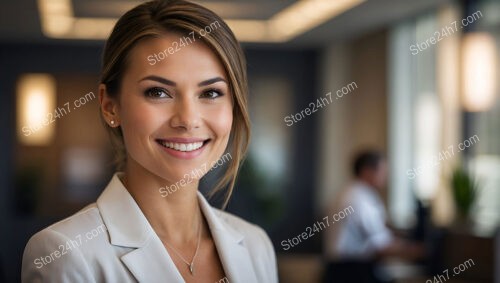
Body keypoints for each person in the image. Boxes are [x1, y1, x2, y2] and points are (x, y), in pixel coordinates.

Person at [21, 1, 278, 282]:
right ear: (110, 106)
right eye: (158, 92)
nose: (188, 119)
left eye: (211, 93)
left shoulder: (256, 246)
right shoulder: (64, 253)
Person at [323, 150, 424, 283]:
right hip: (351, 272)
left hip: (340, 269)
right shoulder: (359, 199)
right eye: (382, 171)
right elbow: (381, 245)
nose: (385, 177)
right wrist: (420, 250)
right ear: (367, 171)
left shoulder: (350, 193)